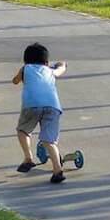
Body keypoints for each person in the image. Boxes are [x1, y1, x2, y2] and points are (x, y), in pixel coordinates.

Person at [13, 43, 68, 184]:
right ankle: (57, 170)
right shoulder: (50, 70)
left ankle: (28, 158)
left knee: (23, 131)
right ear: (46, 61)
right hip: (53, 107)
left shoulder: (25, 68)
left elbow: (15, 81)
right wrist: (62, 65)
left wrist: (20, 78)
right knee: (49, 141)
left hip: (31, 105)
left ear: (26, 60)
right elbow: (60, 70)